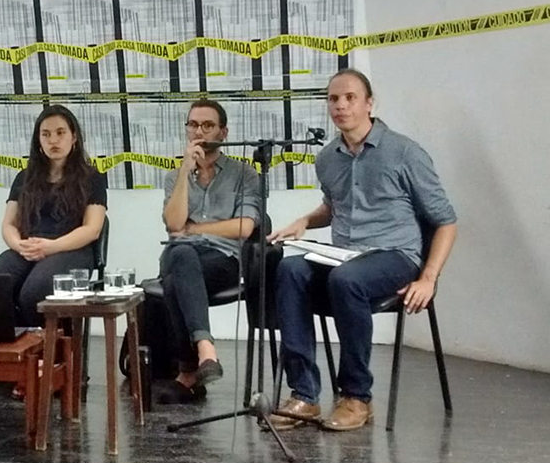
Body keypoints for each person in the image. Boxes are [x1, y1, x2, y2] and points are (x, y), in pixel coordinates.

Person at [268, 68, 457, 431]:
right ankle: (304, 395)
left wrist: (429, 278)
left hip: (395, 256)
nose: (340, 106)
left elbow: (446, 221)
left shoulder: (405, 152)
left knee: (345, 280)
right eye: (333, 99)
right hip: (346, 257)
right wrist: (305, 221)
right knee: (289, 270)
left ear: (370, 103)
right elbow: (336, 205)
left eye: (350, 98)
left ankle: (356, 397)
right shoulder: (327, 158)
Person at [0, 105, 106, 397]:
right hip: (29, 247)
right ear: (38, 139)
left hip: (71, 249)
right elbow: (8, 224)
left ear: (74, 137)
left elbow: (92, 229)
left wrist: (51, 246)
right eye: (46, 134)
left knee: (33, 292)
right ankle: (12, 361)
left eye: (61, 133)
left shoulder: (92, 177)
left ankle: (49, 364)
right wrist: (18, 244)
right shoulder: (25, 177)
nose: (54, 140)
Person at [156, 99, 260, 405]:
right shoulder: (174, 177)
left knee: (177, 275)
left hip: (223, 259)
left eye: (207, 125)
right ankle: (206, 351)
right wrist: (185, 170)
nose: (199, 131)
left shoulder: (244, 174)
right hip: (179, 254)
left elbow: (243, 228)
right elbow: (174, 224)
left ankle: (188, 373)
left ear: (223, 132)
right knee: (181, 255)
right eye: (193, 125)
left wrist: (195, 230)